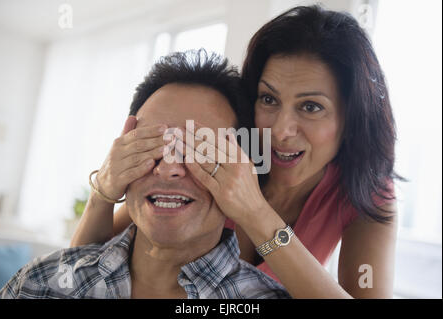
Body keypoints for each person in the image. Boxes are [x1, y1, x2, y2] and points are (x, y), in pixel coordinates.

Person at [71, 5, 403, 298]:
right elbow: (76, 276)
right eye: (269, 99)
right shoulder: (220, 153)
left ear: (352, 118)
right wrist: (104, 188)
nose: (280, 130)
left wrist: (254, 213)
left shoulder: (366, 193)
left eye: (311, 107)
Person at [0, 50, 291, 299]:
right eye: (151, 145)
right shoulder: (37, 283)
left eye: (201, 150)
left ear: (243, 169)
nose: (168, 168)